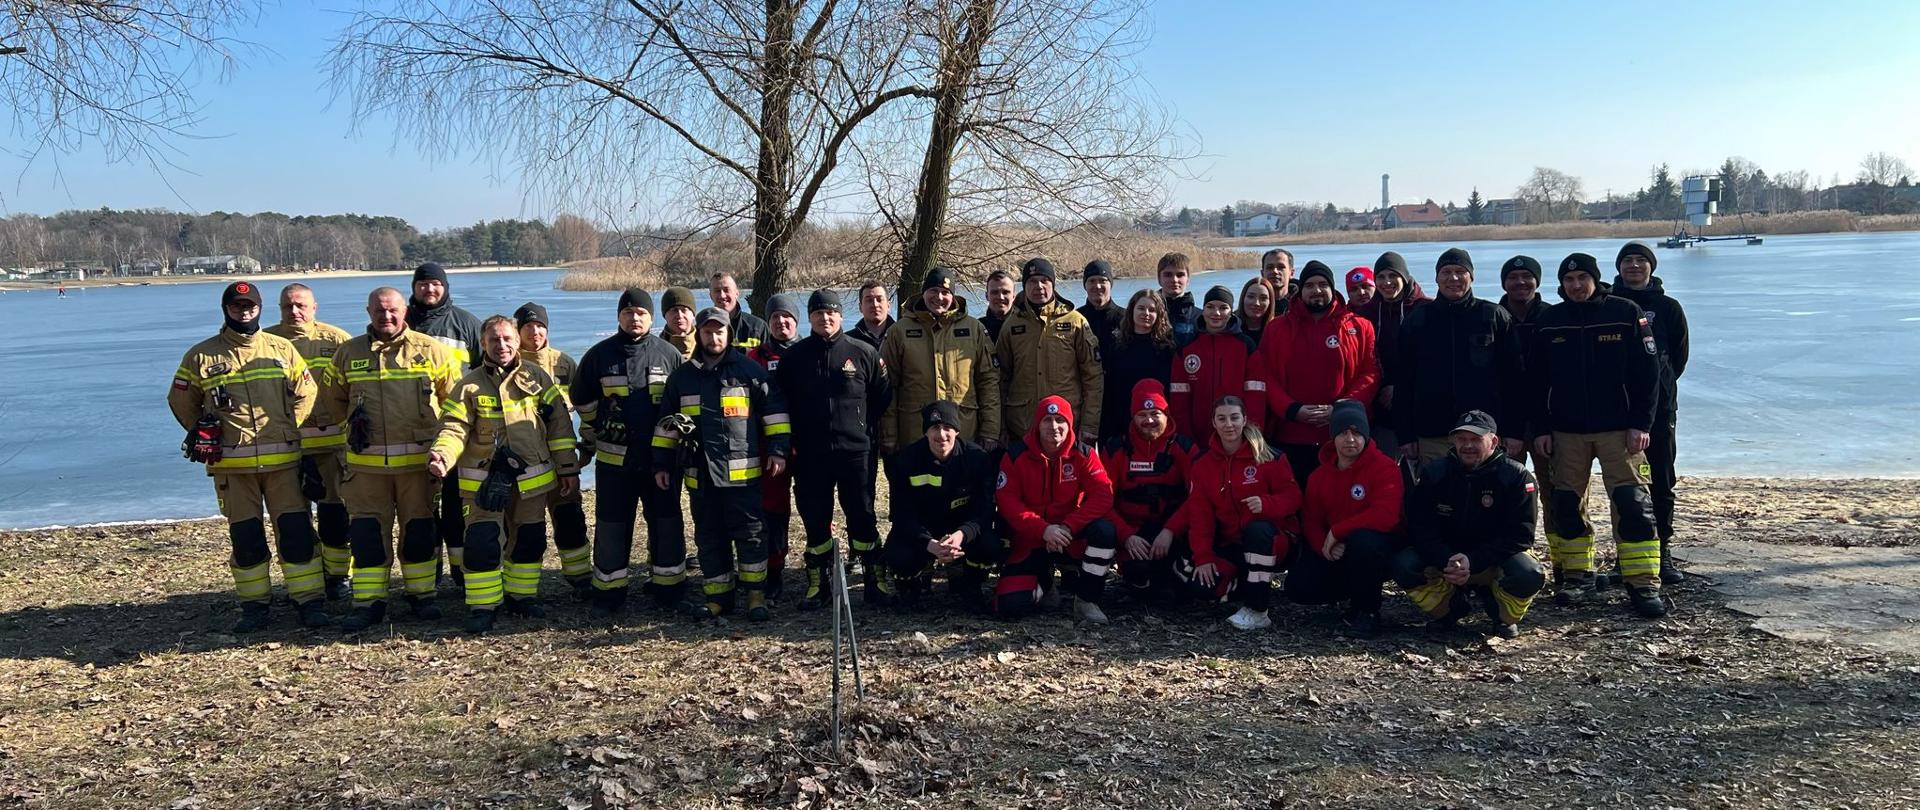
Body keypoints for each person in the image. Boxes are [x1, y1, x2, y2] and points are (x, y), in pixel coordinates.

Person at [169, 281, 324, 631]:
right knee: (246, 538)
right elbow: (180, 399)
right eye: (237, 306)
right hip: (233, 467)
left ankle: (309, 602)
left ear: (259, 308)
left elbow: (307, 391)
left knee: (297, 534)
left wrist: (289, 426)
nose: (244, 311)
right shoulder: (201, 355)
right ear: (226, 309)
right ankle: (255, 607)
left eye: (250, 306)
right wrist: (201, 430)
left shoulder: (281, 348)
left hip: (283, 464)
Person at [1530, 252, 1665, 618]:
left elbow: (1648, 374)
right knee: (1566, 505)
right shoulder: (1550, 321)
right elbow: (1536, 381)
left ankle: (1642, 582)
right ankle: (1578, 576)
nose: (1576, 286)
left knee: (1633, 504)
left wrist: (1642, 423)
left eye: (1582, 279)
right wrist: (1541, 428)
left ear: (1595, 279)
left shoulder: (1624, 312)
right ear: (1562, 284)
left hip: (1620, 429)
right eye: (1569, 280)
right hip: (1566, 430)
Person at [427, 315, 580, 633]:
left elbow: (559, 427)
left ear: (517, 341)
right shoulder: (468, 385)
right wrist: (442, 454)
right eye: (494, 340)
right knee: (482, 542)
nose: (502, 345)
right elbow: (454, 427)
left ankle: (521, 597)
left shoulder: (537, 377)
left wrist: (567, 467)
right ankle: (483, 606)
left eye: (508, 339)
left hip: (531, 480)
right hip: (483, 482)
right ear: (483, 343)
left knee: (529, 540)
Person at [321, 288, 461, 632]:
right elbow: (332, 399)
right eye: (379, 311)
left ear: (404, 311)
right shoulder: (348, 352)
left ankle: (422, 596)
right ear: (368, 311)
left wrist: (442, 448)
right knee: (367, 536)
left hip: (417, 467)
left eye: (393, 310)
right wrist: (350, 429)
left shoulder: (431, 350)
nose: (386, 316)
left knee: (419, 532)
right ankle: (369, 602)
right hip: (366, 469)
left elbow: (454, 403)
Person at [651, 308, 790, 620]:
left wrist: (778, 450)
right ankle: (718, 597)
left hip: (743, 475)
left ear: (729, 334)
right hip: (700, 474)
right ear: (698, 334)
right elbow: (665, 426)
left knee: (751, 535)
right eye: (707, 332)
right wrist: (661, 464)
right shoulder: (682, 378)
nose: (713, 337)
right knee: (709, 537)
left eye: (719, 331)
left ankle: (755, 595)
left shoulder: (749, 371)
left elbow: (775, 413)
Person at [572, 288, 691, 618]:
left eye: (641, 313)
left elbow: (682, 404)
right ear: (619, 317)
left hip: (660, 462)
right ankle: (609, 594)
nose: (634, 318)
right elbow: (581, 398)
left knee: (667, 524)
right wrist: (599, 426)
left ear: (651, 318)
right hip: (615, 463)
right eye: (628, 313)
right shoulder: (599, 356)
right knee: (611, 527)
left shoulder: (669, 355)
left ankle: (669, 591)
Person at [774, 289, 892, 607]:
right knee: (815, 519)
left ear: (840, 315)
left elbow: (881, 396)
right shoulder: (793, 358)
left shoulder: (863, 352)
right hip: (811, 454)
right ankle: (820, 584)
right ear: (809, 317)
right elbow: (781, 401)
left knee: (863, 516)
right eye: (817, 313)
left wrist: (859, 426)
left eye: (830, 312)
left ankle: (874, 581)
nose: (825, 318)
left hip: (856, 452)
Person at [1391, 410, 1545, 638]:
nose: (1468, 445)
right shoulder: (1434, 473)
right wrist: (1446, 559)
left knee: (1529, 574)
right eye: (1462, 439)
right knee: (1403, 564)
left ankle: (1501, 613)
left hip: (1494, 560)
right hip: (1448, 560)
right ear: (1453, 441)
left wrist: (1473, 561)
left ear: (1494, 441)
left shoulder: (1517, 477)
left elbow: (1520, 536)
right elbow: (1420, 528)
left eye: (1476, 439)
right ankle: (1449, 609)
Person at [1391, 248, 1523, 466]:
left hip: (1484, 433)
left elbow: (1514, 379)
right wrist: (1405, 435)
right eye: (1446, 272)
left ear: (1471, 277)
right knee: (1437, 488)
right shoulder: (1418, 320)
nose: (1453, 278)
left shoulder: (1493, 316)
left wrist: (1514, 430)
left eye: (1460, 272)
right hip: (1432, 433)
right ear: (1437, 278)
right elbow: (1404, 382)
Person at [993, 396, 1118, 624]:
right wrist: (1043, 530)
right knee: (1010, 606)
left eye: (1060, 420)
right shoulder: (1015, 455)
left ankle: (1086, 600)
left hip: (1071, 536)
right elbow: (1007, 502)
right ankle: (1045, 582)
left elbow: (1103, 495)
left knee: (1104, 531)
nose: (1054, 426)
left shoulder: (1084, 454)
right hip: (1032, 538)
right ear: (1037, 424)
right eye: (1047, 420)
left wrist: (1069, 526)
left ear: (1070, 424)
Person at [1253, 261, 1379, 488]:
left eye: (1323, 284)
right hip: (1290, 435)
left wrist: (1341, 410)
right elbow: (1266, 375)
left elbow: (1369, 374)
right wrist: (1292, 410)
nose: (1316, 290)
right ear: (1300, 291)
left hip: (1343, 436)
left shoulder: (1360, 327)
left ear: (1332, 288)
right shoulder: (1277, 328)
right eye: (1309, 285)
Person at [265, 283, 355, 601]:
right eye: (287, 306)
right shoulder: (265, 343)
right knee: (293, 520)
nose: (294, 311)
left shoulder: (337, 341)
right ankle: (306, 578)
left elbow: (356, 388)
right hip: (287, 447)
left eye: (301, 305)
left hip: (333, 446)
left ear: (314, 307)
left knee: (335, 514)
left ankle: (338, 576)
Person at [1180, 395, 1301, 630]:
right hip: (1233, 544)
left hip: (1275, 540)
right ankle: (1247, 585)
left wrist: (1267, 504)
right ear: (1213, 422)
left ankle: (1257, 609)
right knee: (1200, 585)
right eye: (1222, 419)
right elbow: (1200, 515)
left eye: (1234, 418)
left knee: (1258, 530)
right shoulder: (1203, 463)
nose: (1229, 425)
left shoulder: (1268, 456)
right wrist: (1203, 557)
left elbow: (1294, 497)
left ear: (1244, 420)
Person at [1286, 400, 1401, 638]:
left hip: (1376, 548)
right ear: (1333, 437)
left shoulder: (1385, 467)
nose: (1350, 439)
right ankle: (1349, 594)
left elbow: (1386, 515)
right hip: (1336, 549)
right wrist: (1324, 545)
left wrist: (1337, 531)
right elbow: (1311, 520)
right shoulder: (1319, 476)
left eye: (1357, 433)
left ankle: (1368, 611)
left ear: (1366, 436)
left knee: (1363, 540)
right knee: (1298, 587)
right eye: (1343, 433)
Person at [1611, 241, 1689, 583]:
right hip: (1617, 408)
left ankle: (1663, 550)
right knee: (1626, 485)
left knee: (1661, 479)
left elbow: (1678, 358)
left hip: (1660, 409)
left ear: (1651, 267)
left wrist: (1658, 387)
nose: (1633, 265)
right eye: (1627, 260)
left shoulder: (1668, 307)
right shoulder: (1608, 304)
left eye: (1640, 260)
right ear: (1619, 267)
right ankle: (1627, 555)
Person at [406, 262, 483, 586]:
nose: (429, 289)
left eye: (435, 283)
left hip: (456, 430)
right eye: (422, 284)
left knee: (455, 506)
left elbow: (486, 373)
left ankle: (461, 573)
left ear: (445, 286)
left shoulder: (466, 324)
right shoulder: (400, 322)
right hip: (409, 431)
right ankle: (429, 575)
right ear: (414, 288)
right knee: (419, 508)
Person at [883, 401, 1000, 608]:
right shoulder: (907, 460)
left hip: (960, 531)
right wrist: (929, 543)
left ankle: (970, 584)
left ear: (957, 431)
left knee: (990, 545)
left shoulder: (976, 459)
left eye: (947, 428)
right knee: (897, 554)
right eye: (935, 428)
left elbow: (984, 510)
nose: (941, 435)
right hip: (924, 531)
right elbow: (901, 514)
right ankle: (912, 587)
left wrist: (962, 535)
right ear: (925, 432)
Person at [512, 301, 591, 597]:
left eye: (540, 326)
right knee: (523, 526)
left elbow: (587, 407)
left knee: (570, 519)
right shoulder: (508, 363)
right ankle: (520, 589)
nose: (535, 332)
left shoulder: (564, 364)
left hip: (561, 459)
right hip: (523, 462)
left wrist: (588, 444)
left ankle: (580, 577)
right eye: (528, 326)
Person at [878, 267, 1002, 456]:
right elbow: (888, 386)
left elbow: (988, 382)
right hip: (914, 432)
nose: (939, 297)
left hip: (963, 431)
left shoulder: (974, 329)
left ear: (953, 296)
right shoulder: (899, 331)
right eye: (933, 291)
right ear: (923, 293)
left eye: (945, 292)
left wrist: (990, 430)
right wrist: (889, 435)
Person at [1100, 380, 1199, 601]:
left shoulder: (1183, 448)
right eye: (1142, 415)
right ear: (1132, 417)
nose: (1149, 420)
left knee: (1184, 591)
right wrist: (1126, 535)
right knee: (1139, 573)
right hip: (1133, 534)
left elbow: (1199, 498)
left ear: (1166, 414)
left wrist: (1170, 530)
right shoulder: (1116, 449)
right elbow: (1101, 501)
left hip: (1172, 532)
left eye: (1155, 413)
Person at [997, 257, 1104, 442]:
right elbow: (999, 379)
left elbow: (1093, 377)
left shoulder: (1075, 321)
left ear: (1053, 284)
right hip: (1023, 426)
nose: (1038, 286)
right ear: (1024, 286)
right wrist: (999, 428)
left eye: (1044, 280)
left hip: (1065, 423)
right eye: (1032, 281)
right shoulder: (1011, 325)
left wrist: (1089, 425)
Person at [747, 293, 803, 599]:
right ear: (768, 323)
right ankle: (774, 569)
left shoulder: (810, 351)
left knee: (814, 507)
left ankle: (819, 569)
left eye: (787, 317)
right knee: (773, 508)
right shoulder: (754, 359)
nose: (781, 322)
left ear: (796, 321)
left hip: (808, 445)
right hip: (770, 447)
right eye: (775, 318)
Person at [1497, 255, 1555, 528]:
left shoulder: (1553, 317)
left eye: (1527, 277)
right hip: (1505, 424)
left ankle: (1563, 551)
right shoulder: (1492, 317)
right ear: (1504, 283)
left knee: (1557, 492)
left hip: (1549, 423)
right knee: (1505, 492)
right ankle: (1513, 547)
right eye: (1512, 277)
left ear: (1537, 281)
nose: (1520, 282)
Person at [1353, 251, 1427, 454]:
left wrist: (1400, 387)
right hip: (1381, 406)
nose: (1387, 282)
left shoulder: (1425, 309)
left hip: (1418, 404)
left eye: (1393, 276)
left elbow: (1430, 360)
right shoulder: (1367, 313)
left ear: (1404, 277)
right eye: (1381, 277)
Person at [1170, 285, 1262, 439]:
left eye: (1223, 308)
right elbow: (1179, 400)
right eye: (1210, 307)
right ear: (1203, 310)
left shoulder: (1246, 347)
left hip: (1237, 436)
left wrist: (1252, 435)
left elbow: (1256, 397)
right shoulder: (1187, 348)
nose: (1216, 313)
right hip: (1197, 437)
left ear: (1231, 312)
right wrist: (1185, 439)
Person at [1097, 289, 1174, 443]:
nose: (1146, 313)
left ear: (1159, 314)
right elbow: (1111, 390)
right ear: (1132, 311)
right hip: (1123, 423)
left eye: (1152, 310)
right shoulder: (1117, 348)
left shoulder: (1168, 349)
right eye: (1141, 308)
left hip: (1158, 424)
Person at [1076, 259, 1127, 361]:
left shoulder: (1126, 318)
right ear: (1085, 285)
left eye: (1102, 280)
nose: (1097, 286)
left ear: (1110, 284)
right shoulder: (1076, 319)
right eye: (1092, 281)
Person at [708, 271, 769, 350]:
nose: (722, 295)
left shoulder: (758, 327)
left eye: (726, 290)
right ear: (710, 296)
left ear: (737, 293)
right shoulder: (704, 329)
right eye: (717, 291)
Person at [1157, 252, 1200, 347]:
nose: (1174, 280)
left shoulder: (1200, 318)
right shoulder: (1147, 314)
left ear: (1188, 279)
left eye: (1180, 275)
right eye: (1168, 275)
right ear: (1159, 279)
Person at [848, 281, 894, 349]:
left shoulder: (901, 337)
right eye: (869, 300)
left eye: (879, 300)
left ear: (888, 306)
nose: (875, 305)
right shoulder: (848, 342)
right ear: (860, 307)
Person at [660, 286, 698, 359]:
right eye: (674, 310)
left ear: (693, 315)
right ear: (665, 315)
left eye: (684, 310)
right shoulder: (655, 350)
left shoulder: (706, 347)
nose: (679, 315)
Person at [1237, 277, 1277, 346]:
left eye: (1263, 298)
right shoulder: (1230, 329)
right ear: (1243, 298)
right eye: (1251, 297)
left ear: (1270, 302)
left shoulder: (1277, 331)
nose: (1256, 303)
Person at [980, 270, 1018, 343]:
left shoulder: (1027, 326)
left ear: (1014, 296)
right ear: (987, 296)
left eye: (1005, 292)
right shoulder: (977, 329)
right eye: (995, 292)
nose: (1000, 297)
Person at [1259, 249, 1298, 316]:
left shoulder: (1303, 304)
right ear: (1262, 273)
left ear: (1291, 273)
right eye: (1270, 267)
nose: (1275, 271)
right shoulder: (1255, 306)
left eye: (1281, 267)